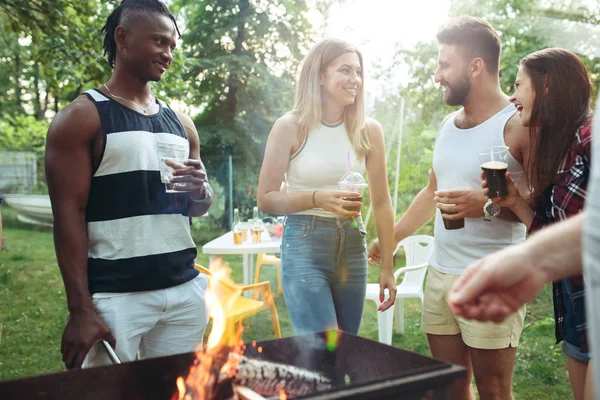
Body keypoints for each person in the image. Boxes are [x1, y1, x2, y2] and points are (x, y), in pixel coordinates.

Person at [368, 16, 531, 400]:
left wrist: (488, 207)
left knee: (493, 389)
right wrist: (391, 237)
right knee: (448, 387)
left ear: (475, 67)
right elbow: (431, 191)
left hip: (492, 277)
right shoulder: (447, 124)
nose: (437, 75)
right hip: (440, 274)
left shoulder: (517, 124)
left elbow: (539, 206)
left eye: (444, 65)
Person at [45, 0, 212, 369]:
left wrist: (201, 191)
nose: (168, 53)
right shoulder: (82, 118)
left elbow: (199, 206)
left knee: (179, 391)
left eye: (172, 45)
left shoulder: (182, 123)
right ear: (123, 38)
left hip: (184, 291)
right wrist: (80, 310)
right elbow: (68, 215)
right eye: (158, 42)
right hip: (116, 298)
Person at [257, 38, 397, 336]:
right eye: (345, 70)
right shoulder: (290, 127)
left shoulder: (369, 129)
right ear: (320, 76)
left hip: (351, 243)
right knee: (321, 351)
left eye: (358, 72)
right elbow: (266, 199)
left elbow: (383, 203)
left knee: (346, 348)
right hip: (304, 243)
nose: (354, 80)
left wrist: (388, 266)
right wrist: (317, 198)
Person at [480, 48, 593, 400]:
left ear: (546, 87)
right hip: (577, 303)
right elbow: (555, 236)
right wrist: (514, 201)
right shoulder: (561, 148)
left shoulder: (591, 139)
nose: (512, 96)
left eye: (518, 85)